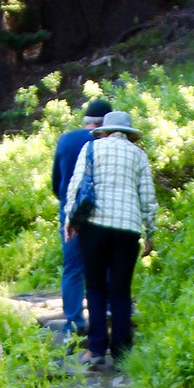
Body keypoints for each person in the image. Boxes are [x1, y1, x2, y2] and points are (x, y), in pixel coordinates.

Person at [63, 109, 157, 361]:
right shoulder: (139, 156)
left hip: (93, 226)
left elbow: (76, 185)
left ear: (104, 130)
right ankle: (121, 351)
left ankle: (96, 348)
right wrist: (150, 233)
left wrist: (70, 220)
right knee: (120, 290)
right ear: (129, 134)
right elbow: (147, 197)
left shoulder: (92, 149)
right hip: (127, 229)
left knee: (94, 287)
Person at [50, 97, 111, 338]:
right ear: (105, 123)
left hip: (69, 210)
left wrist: (66, 201)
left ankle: (73, 322)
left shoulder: (65, 140)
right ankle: (106, 311)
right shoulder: (104, 143)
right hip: (98, 211)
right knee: (103, 261)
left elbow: (56, 182)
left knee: (73, 268)